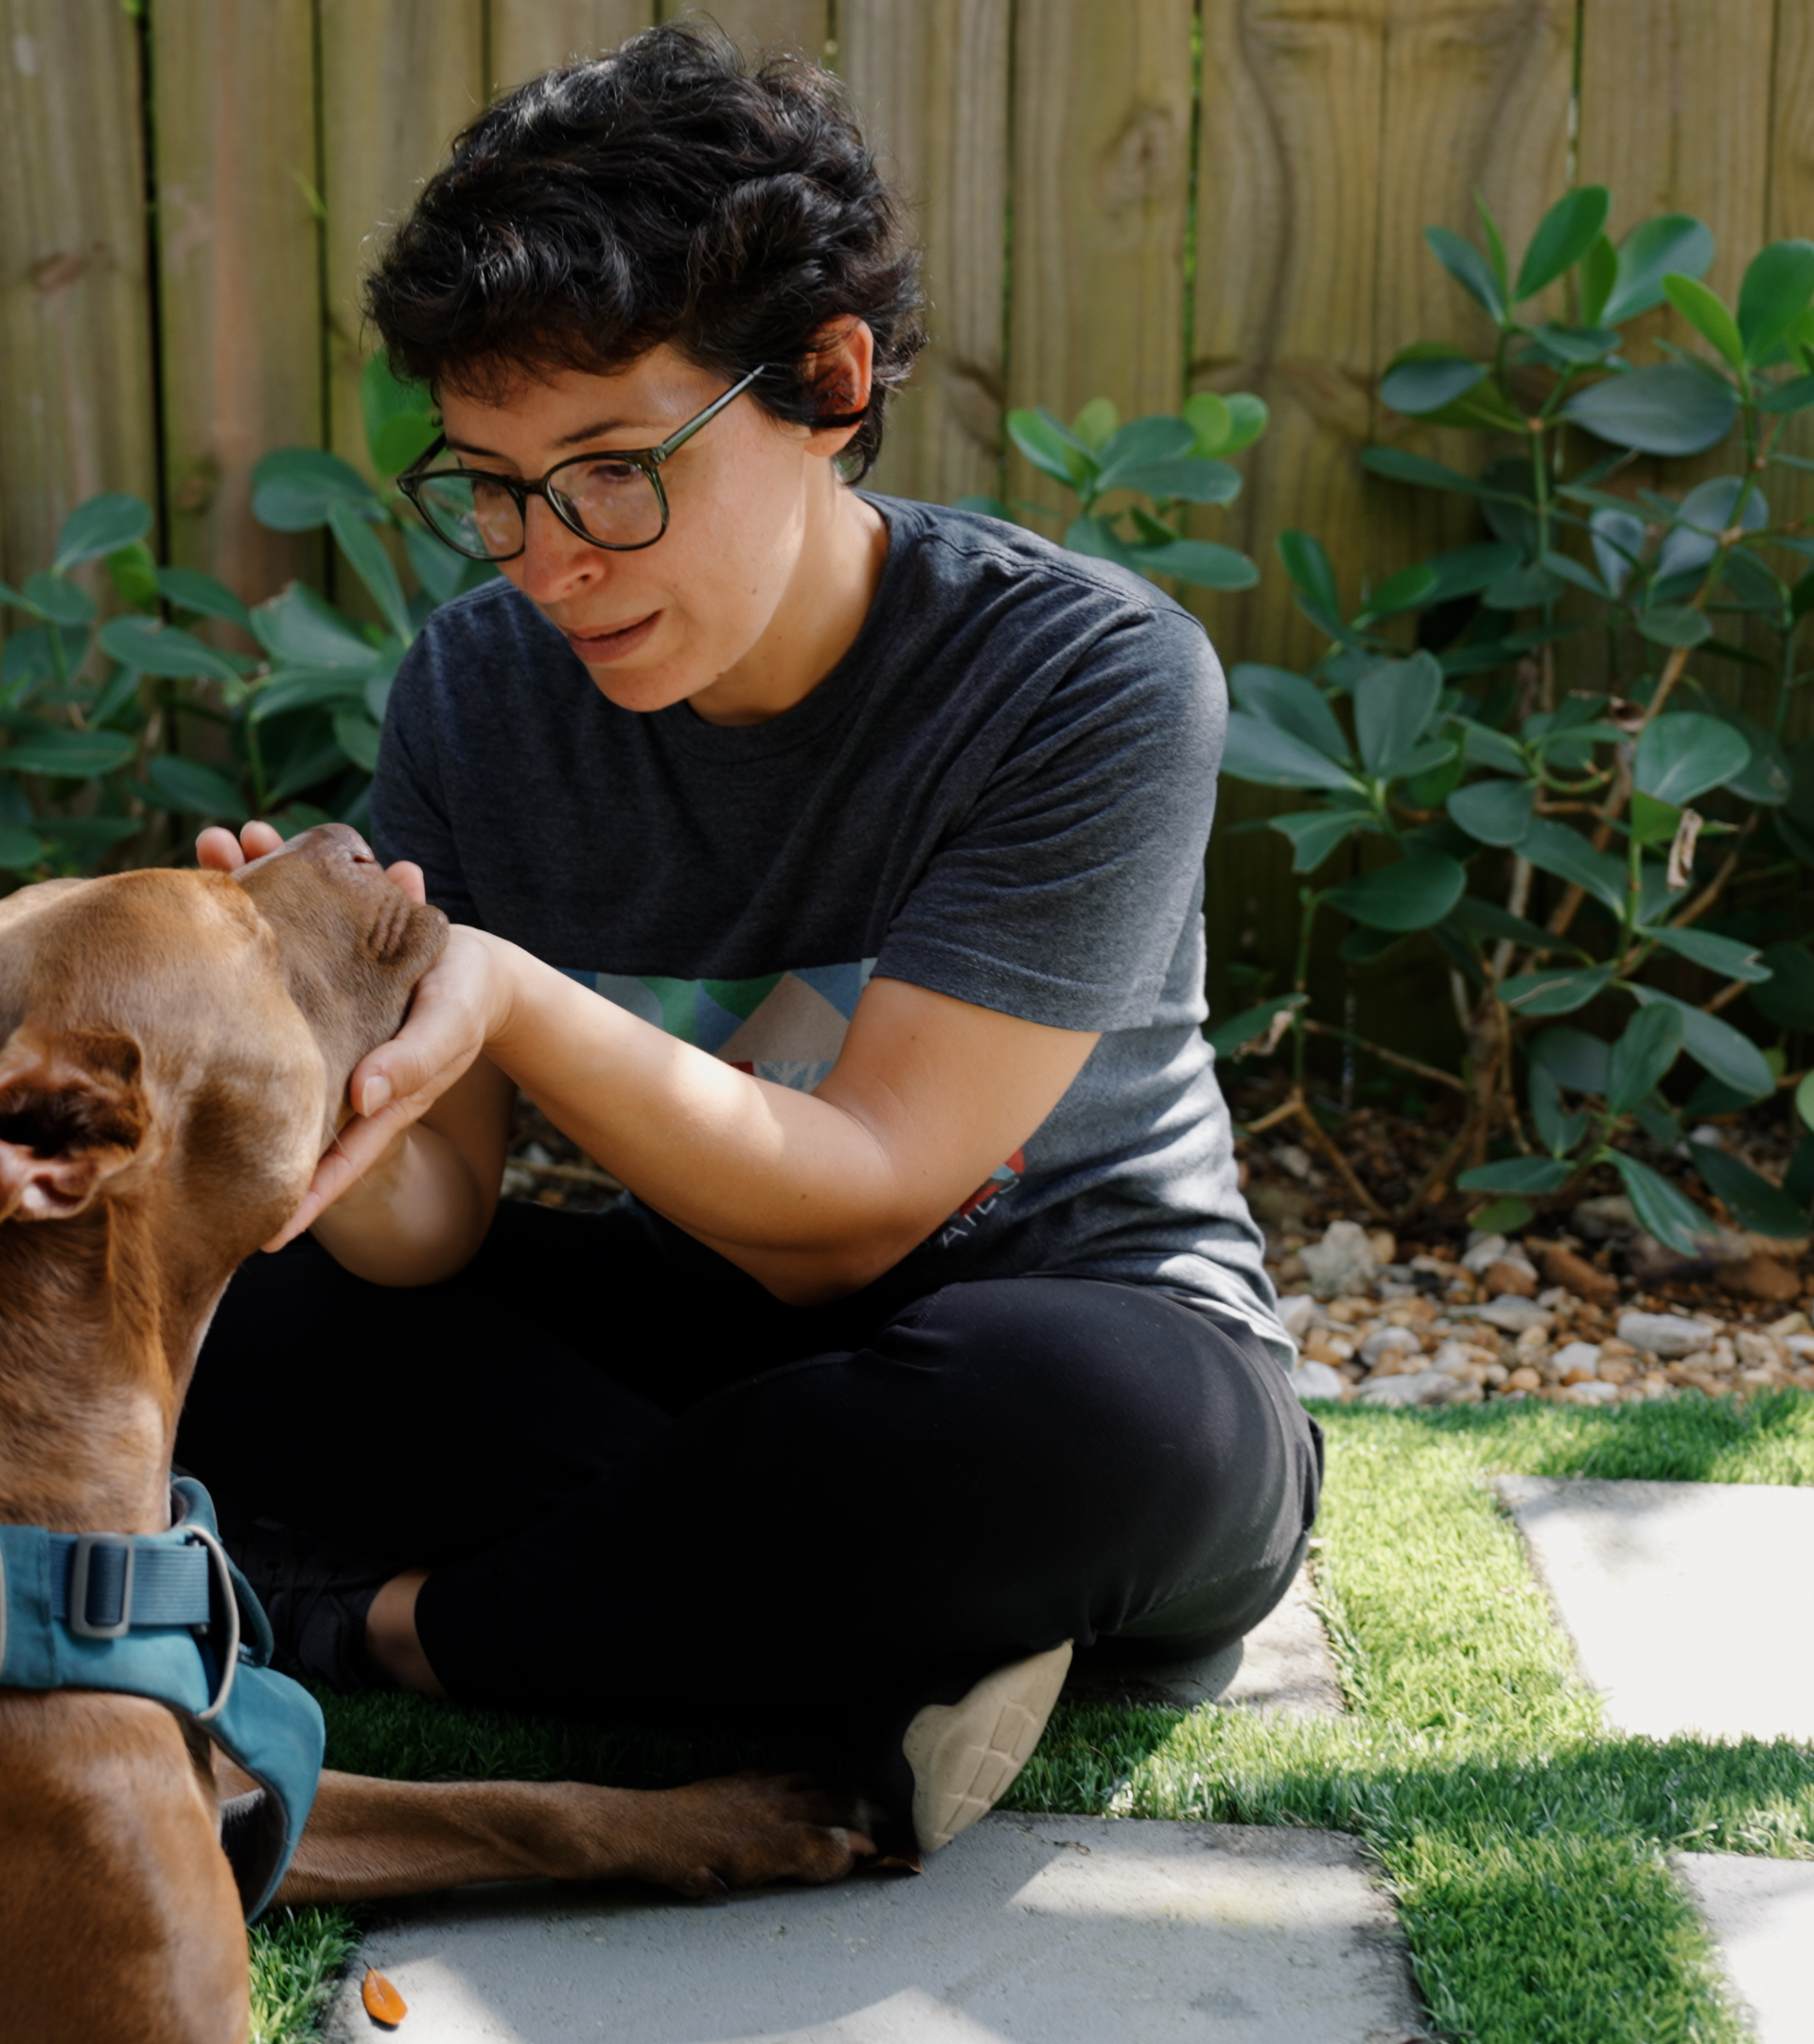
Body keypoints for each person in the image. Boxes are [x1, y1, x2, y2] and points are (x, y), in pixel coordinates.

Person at [174, 25, 1318, 1863]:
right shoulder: (482, 689)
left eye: (615, 471)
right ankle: (843, 1611)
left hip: (1058, 1333)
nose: (551, 562)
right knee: (243, 1309)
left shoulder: (1083, 676)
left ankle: (375, 1622)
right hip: (708, 1362)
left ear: (828, 384)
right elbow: (428, 1231)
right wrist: (304, 1041)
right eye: (492, 484)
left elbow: (864, 1200)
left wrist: (516, 1000)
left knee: (1094, 1435)